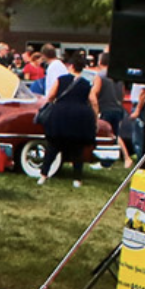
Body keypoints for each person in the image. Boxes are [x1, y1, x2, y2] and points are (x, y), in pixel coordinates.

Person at [39, 50, 99, 187]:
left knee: (53, 147)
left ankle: (43, 175)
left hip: (61, 115)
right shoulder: (85, 83)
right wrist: (95, 117)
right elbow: (93, 101)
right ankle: (77, 179)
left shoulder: (61, 80)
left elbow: (50, 96)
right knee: (77, 150)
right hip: (79, 117)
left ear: (71, 66)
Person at [92, 50, 132, 167]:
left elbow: (95, 92)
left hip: (105, 109)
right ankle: (110, 161)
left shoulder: (100, 76)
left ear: (100, 62)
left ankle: (124, 157)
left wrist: (95, 106)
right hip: (118, 108)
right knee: (115, 135)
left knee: (107, 135)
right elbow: (123, 94)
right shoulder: (118, 77)